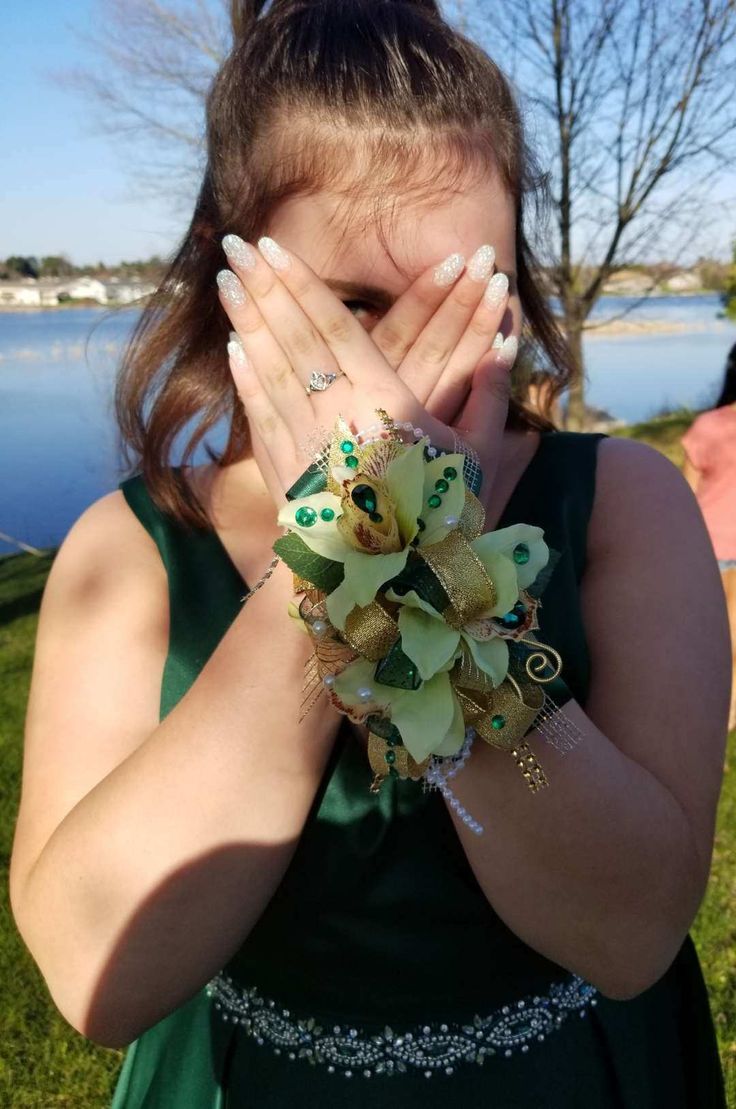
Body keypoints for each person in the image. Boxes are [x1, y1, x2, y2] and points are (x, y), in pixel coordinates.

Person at [8, 1, 732, 1105]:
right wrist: (345, 552)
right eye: (350, 308)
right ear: (231, 277)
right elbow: (98, 967)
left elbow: (628, 927)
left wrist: (421, 569)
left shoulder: (625, 502)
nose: (401, 383)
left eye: (462, 303)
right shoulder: (131, 552)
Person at [681, 341, 736, 732]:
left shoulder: (710, 425)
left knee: (709, 643)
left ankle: (714, 721)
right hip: (718, 547)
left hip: (709, 545)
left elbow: (686, 491)